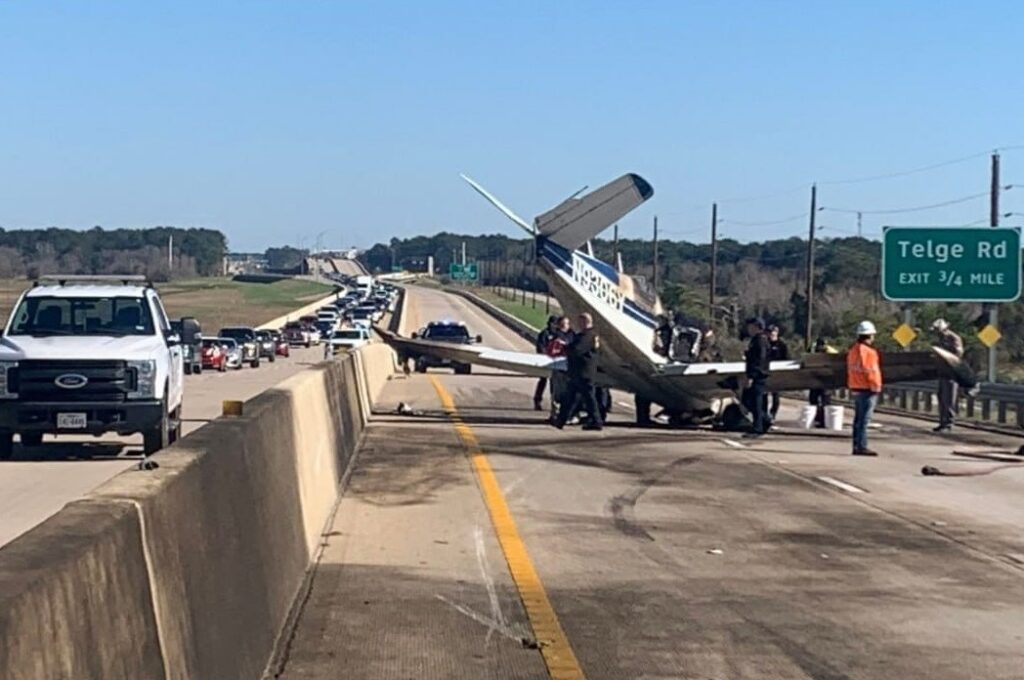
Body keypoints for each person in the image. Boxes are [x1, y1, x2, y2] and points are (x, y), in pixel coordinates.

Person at [554, 312, 602, 431]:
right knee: (571, 397)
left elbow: (577, 350)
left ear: (585, 322)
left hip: (583, 372)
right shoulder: (586, 335)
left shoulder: (588, 335)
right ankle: (561, 420)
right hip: (579, 372)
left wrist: (565, 347)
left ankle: (596, 421)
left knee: (587, 398)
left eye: (580, 321)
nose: (578, 324)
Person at [847, 320, 883, 456]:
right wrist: (876, 387)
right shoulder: (869, 352)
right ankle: (861, 446)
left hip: (856, 387)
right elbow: (871, 371)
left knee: (858, 419)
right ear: (870, 335)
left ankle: (857, 445)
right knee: (864, 420)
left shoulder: (853, 351)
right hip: (867, 389)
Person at [931, 318, 963, 433]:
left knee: (949, 399)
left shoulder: (953, 338)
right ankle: (942, 422)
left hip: (951, 373)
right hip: (942, 373)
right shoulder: (939, 339)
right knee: (942, 398)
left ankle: (948, 423)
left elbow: (958, 354)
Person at [742, 317, 771, 438]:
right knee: (749, 400)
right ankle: (764, 421)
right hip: (756, 374)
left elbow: (759, 360)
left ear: (756, 327)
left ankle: (758, 427)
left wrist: (752, 376)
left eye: (751, 326)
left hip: (758, 375)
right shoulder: (755, 340)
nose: (749, 329)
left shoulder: (760, 340)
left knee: (755, 402)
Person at [545, 316, 573, 420]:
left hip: (568, 369)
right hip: (558, 368)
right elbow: (550, 351)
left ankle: (565, 414)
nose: (565, 326)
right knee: (556, 392)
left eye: (566, 324)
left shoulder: (572, 335)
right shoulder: (556, 336)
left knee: (567, 392)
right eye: (563, 324)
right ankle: (555, 414)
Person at [808, 337, 837, 427]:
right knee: (813, 400)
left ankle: (824, 420)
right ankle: (816, 418)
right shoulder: (813, 350)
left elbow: (836, 357)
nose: (821, 348)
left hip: (826, 380)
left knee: (825, 401)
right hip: (814, 379)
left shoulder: (830, 351)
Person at [533, 316, 558, 411]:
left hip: (554, 362)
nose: (554, 326)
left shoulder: (557, 334)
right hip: (545, 361)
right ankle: (537, 401)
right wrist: (545, 356)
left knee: (554, 383)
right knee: (543, 381)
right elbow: (540, 347)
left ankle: (554, 403)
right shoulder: (544, 334)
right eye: (552, 323)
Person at [766, 325, 790, 424]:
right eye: (769, 332)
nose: (771, 334)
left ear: (777, 333)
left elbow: (787, 358)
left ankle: (773, 414)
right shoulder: (765, 343)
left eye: (773, 332)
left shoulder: (782, 345)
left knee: (775, 395)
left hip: (777, 373)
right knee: (763, 395)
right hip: (766, 371)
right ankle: (764, 415)